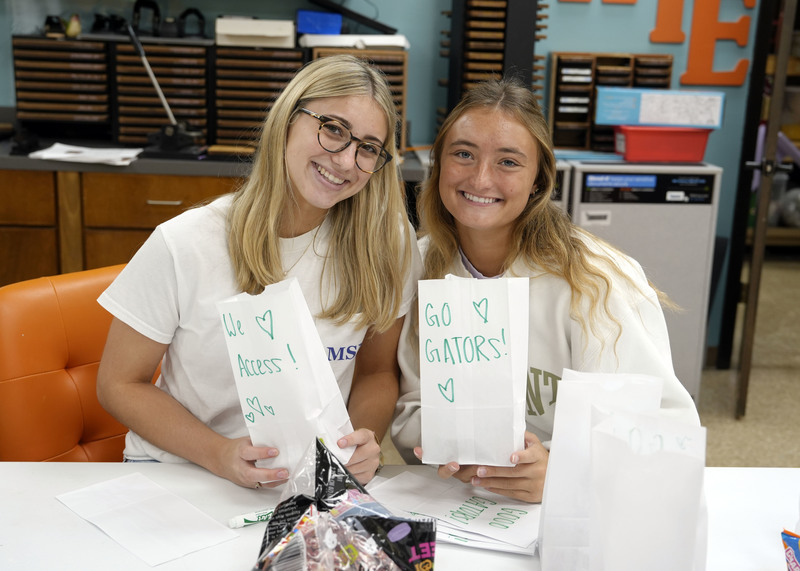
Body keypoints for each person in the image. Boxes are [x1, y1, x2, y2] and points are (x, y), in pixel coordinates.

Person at [96, 55, 421, 489]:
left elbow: (376, 372)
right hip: (182, 469)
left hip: (308, 479)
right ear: (289, 120)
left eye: (368, 148)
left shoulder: (386, 243)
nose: (346, 161)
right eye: (334, 130)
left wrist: (358, 442)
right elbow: (120, 383)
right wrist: (220, 453)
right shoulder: (187, 242)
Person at [391, 77, 700, 503]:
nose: (481, 178)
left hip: (578, 507)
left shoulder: (598, 281)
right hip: (460, 503)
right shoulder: (418, 268)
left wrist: (565, 472)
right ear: (439, 165)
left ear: (539, 180)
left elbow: (666, 428)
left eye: (509, 162)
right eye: (463, 154)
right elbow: (411, 406)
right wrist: (449, 445)